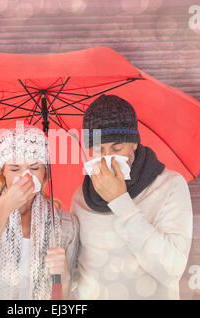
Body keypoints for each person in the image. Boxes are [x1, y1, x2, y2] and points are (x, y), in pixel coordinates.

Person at [70, 94, 193, 299]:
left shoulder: (170, 185)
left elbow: (172, 268)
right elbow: (78, 274)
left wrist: (120, 201)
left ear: (134, 143)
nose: (108, 157)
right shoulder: (81, 197)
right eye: (99, 150)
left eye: (117, 148)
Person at [0, 124, 79, 300]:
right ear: (3, 172)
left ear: (45, 172)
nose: (26, 177)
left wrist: (64, 281)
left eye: (35, 168)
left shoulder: (65, 225)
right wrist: (4, 207)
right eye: (14, 169)